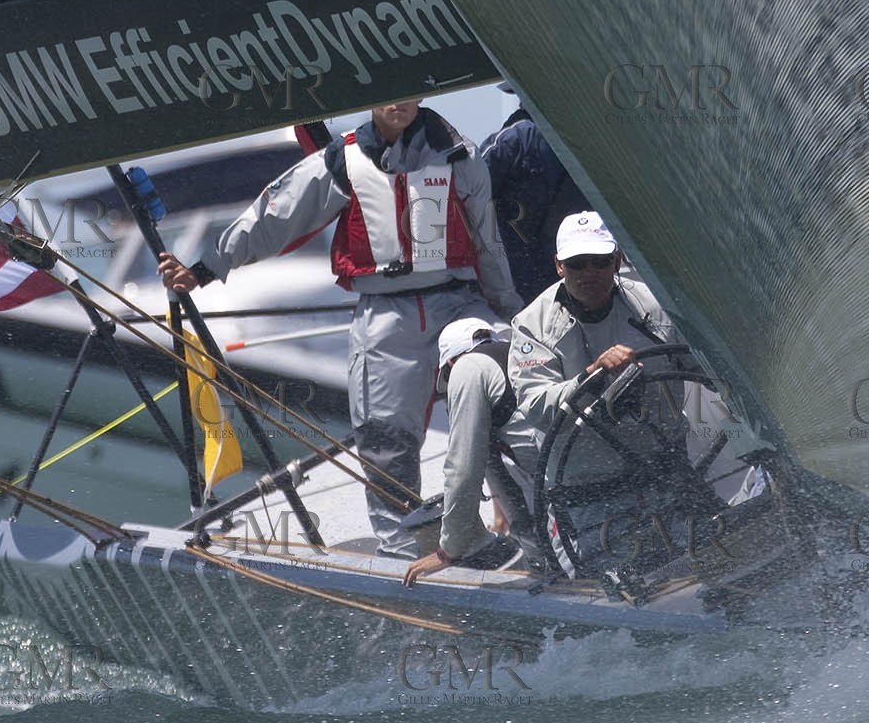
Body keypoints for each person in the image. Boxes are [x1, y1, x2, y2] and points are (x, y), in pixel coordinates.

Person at [159, 100, 521, 558]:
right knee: (384, 436)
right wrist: (205, 269)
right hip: (385, 313)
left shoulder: (459, 156)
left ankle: (527, 530)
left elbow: (488, 242)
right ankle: (403, 549)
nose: (398, 104)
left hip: (458, 302)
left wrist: (510, 314)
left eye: (408, 93)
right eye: (388, 95)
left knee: (498, 394)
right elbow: (278, 211)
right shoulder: (342, 159)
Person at [508, 211, 716, 573]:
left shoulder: (654, 304)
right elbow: (535, 406)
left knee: (709, 559)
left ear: (617, 261)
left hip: (664, 470)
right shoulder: (531, 326)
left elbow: (705, 367)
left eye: (600, 262)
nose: (589, 272)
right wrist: (590, 377)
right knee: (615, 581)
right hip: (588, 490)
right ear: (559, 266)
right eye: (577, 263)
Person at [403, 317, 545, 586]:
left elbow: (463, 468)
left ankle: (544, 569)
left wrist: (449, 550)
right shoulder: (517, 353)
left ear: (450, 364)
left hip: (560, 493)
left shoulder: (467, 369)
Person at [479, 86, 592, 304]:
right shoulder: (517, 138)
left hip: (524, 277)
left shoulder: (513, 137)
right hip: (568, 276)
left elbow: (469, 193)